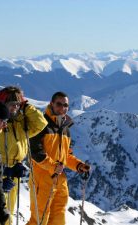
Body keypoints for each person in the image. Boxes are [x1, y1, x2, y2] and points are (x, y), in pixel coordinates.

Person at [26, 91, 91, 225]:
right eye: (59, 104)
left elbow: (66, 155)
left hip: (60, 180)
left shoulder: (65, 128)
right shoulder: (42, 124)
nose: (62, 108)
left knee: (58, 219)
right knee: (39, 220)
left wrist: (78, 165)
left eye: (65, 105)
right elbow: (35, 151)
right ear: (52, 104)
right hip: (42, 178)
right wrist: (53, 166)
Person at [0, 86, 48, 224]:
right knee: (0, 212)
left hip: (15, 171)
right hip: (0, 171)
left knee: (9, 210)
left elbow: (41, 124)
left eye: (18, 104)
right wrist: (0, 173)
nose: (15, 107)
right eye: (12, 104)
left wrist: (26, 106)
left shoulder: (20, 124)